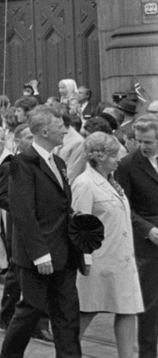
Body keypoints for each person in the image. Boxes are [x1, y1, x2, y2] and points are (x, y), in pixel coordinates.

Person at [0, 106, 84, 358]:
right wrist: (40, 254)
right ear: (45, 130)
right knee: (29, 312)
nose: (65, 131)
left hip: (65, 253)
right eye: (60, 127)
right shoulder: (22, 163)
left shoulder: (57, 161)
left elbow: (62, 207)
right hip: (39, 257)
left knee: (67, 316)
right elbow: (23, 213)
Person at [72, 131, 142, 358]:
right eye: (113, 155)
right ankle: (67, 353)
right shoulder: (84, 184)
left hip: (121, 260)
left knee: (127, 310)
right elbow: (79, 226)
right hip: (97, 261)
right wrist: (85, 259)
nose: (118, 160)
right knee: (85, 311)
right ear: (99, 156)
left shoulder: (113, 182)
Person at [116, 115, 158, 358]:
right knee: (150, 307)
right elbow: (124, 207)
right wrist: (147, 229)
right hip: (148, 245)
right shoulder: (127, 165)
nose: (144, 146)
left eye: (149, 142)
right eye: (140, 141)